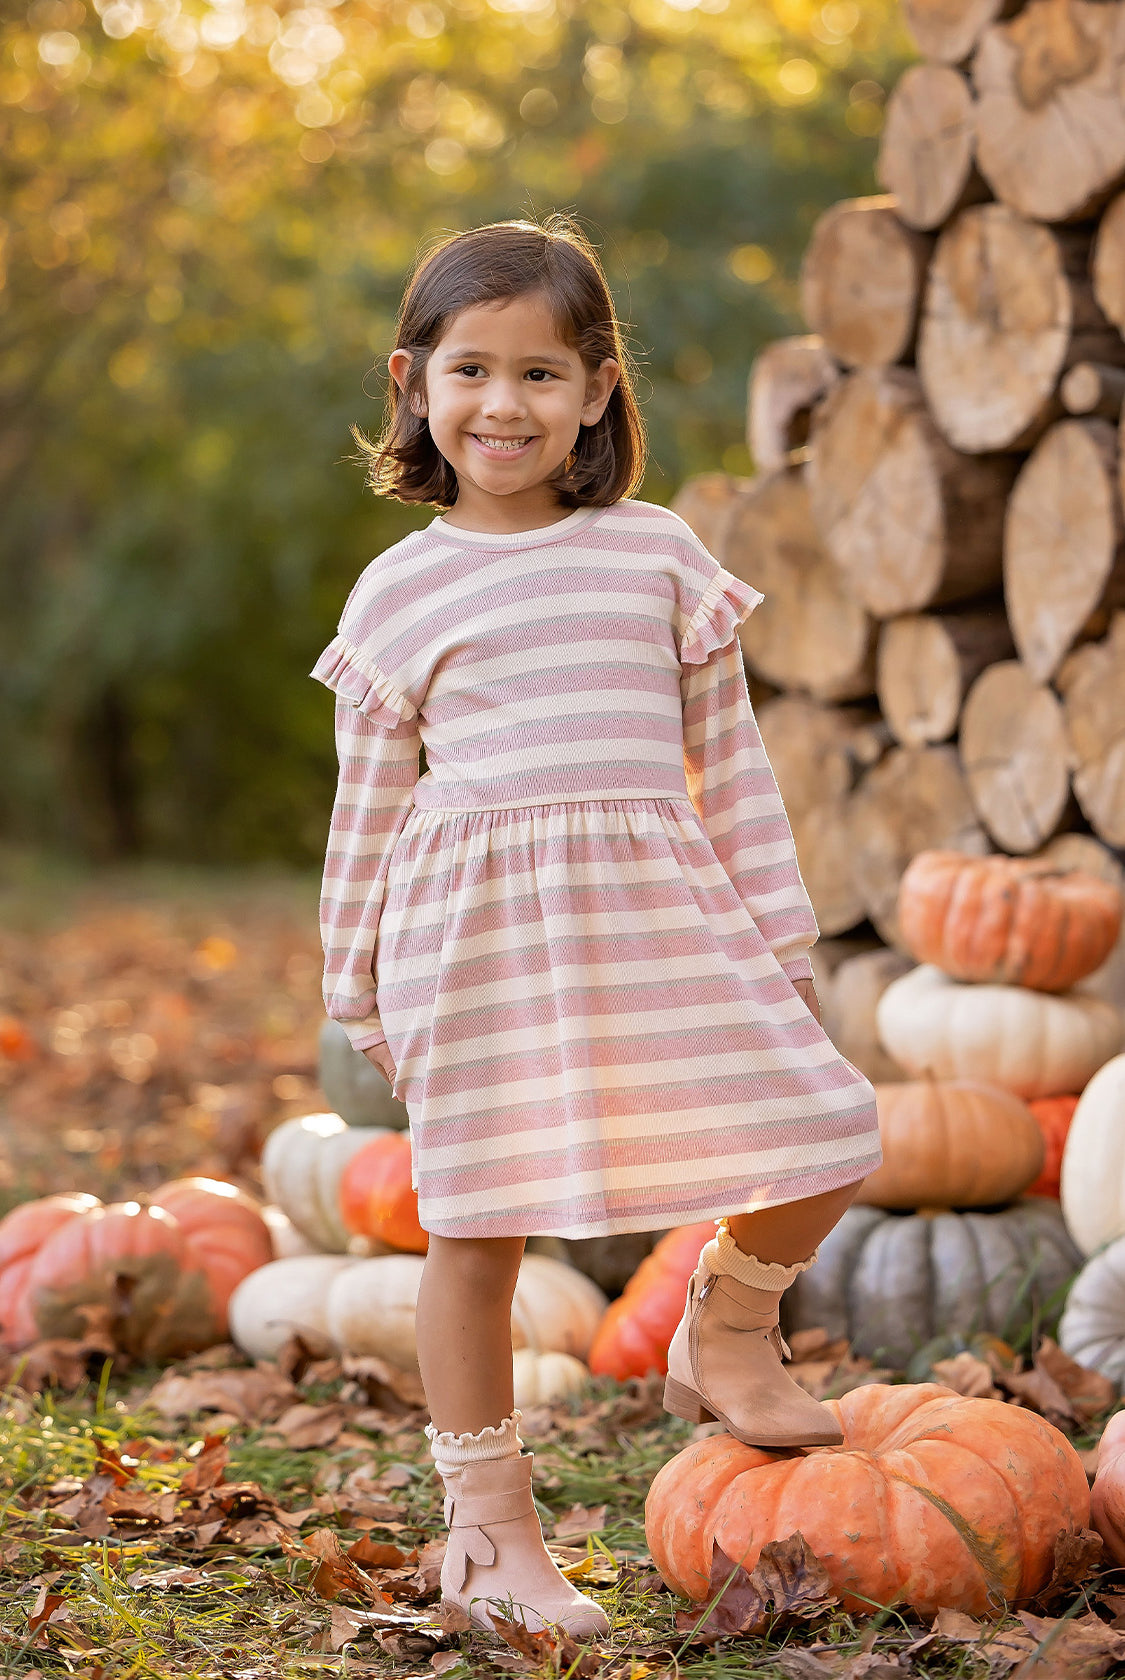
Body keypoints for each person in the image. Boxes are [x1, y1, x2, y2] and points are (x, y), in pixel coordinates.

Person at [310, 216, 882, 1640]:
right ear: (414, 382)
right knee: (477, 1228)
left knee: (826, 1128)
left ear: (598, 389)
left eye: (542, 374)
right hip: (478, 939)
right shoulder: (399, 592)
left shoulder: (657, 553)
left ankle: (727, 1328)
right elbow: (364, 813)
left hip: (655, 910)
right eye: (470, 370)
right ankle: (489, 1528)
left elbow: (734, 766)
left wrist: (783, 941)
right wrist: (356, 986)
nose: (504, 404)